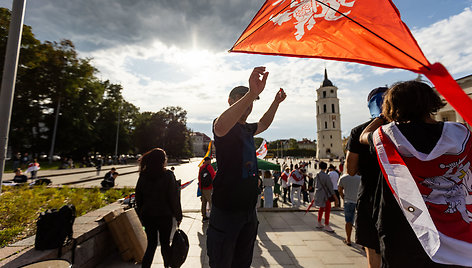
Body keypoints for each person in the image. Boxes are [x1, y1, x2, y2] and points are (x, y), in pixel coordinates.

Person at [360, 81, 472, 267]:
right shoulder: (459, 133)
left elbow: (364, 136)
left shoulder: (388, 135)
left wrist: (381, 116)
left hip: (403, 226)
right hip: (452, 226)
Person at [208, 66, 286, 268]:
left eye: (251, 102)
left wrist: (275, 103)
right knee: (222, 262)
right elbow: (220, 127)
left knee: (243, 262)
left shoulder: (246, 128)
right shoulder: (223, 125)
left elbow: (263, 124)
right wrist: (252, 93)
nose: (249, 105)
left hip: (248, 212)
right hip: (226, 211)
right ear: (230, 101)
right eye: (243, 99)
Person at [346, 86, 387, 268]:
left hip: (370, 195)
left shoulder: (358, 132)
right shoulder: (403, 129)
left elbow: (351, 169)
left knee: (372, 247)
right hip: (402, 198)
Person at [135, 148, 183, 268]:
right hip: (164, 216)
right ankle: (167, 266)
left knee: (151, 245)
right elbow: (174, 197)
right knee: (165, 244)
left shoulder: (143, 175)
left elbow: (138, 196)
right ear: (162, 161)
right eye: (165, 158)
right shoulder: (168, 175)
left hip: (148, 216)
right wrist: (178, 215)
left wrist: (141, 212)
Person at [314, 161, 339, 232]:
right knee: (327, 209)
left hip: (318, 194)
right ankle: (326, 224)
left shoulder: (317, 175)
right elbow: (330, 187)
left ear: (319, 167)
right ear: (326, 168)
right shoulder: (326, 176)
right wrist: (335, 197)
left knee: (321, 208)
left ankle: (319, 222)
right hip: (325, 195)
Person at [338, 172, 361, 246]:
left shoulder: (343, 177)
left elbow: (339, 189)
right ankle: (361, 241)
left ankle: (348, 239)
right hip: (358, 201)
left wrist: (343, 197)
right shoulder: (360, 178)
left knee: (348, 221)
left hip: (348, 201)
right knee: (359, 221)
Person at [198, 156, 215, 221]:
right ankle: (213, 217)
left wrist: (200, 187)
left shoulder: (201, 167)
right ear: (208, 161)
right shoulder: (209, 167)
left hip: (202, 187)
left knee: (204, 203)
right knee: (211, 202)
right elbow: (213, 176)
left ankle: (204, 216)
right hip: (208, 187)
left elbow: (199, 178)